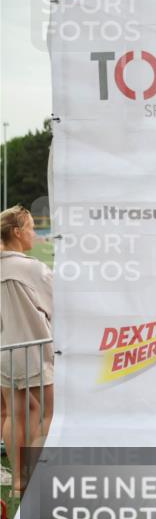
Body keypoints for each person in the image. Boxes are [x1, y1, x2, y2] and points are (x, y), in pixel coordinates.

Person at [1, 205, 55, 495]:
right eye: (31, 228)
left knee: (14, 415)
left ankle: (19, 483)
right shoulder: (32, 268)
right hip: (34, 350)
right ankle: (34, 478)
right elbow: (56, 306)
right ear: (17, 232)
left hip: (6, 353)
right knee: (49, 414)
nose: (34, 234)